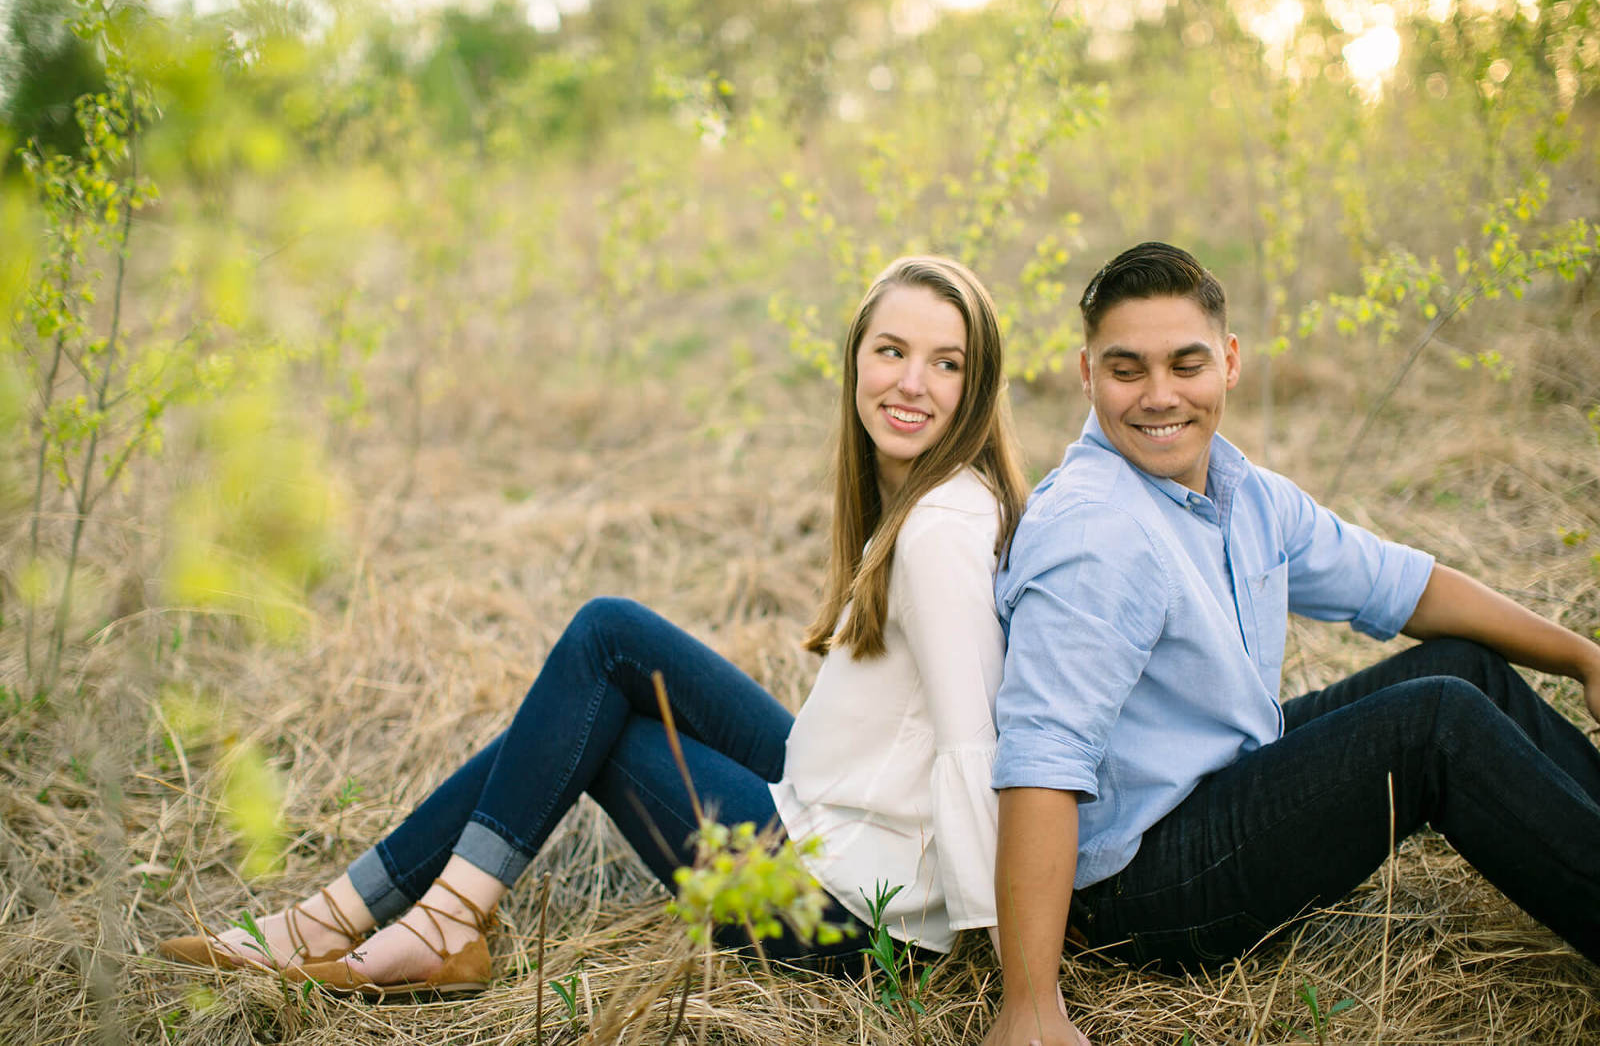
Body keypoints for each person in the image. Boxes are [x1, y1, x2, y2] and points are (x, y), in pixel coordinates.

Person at [159, 255, 1029, 997]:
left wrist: (1013, 981)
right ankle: (343, 922)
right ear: (854, 364)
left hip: (838, 914)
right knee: (607, 643)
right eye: (892, 351)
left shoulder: (939, 533)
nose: (912, 382)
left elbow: (973, 746)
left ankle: (417, 924)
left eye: (945, 363)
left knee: (593, 709)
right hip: (830, 807)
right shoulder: (931, 501)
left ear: (978, 384)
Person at [980, 241, 1600, 1046]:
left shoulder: (1239, 490)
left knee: (1465, 665)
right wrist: (1028, 1008)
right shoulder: (1097, 531)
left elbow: (1401, 585)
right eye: (1126, 368)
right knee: (1436, 722)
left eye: (1187, 363)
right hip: (1141, 888)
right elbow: (1041, 757)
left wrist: (1583, 656)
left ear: (1230, 362)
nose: (1159, 395)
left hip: (1217, 784)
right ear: (1087, 372)